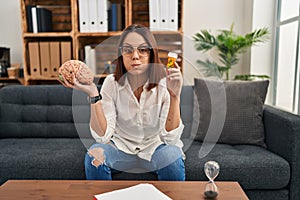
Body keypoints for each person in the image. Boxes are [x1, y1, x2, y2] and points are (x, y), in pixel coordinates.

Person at [59, 24, 185, 181]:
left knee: (172, 156)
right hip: (121, 148)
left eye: (143, 50)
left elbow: (170, 139)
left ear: (152, 53)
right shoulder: (111, 83)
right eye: (128, 50)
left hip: (155, 148)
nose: (135, 56)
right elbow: (103, 137)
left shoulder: (165, 83)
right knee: (95, 155)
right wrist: (93, 94)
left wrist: (175, 96)